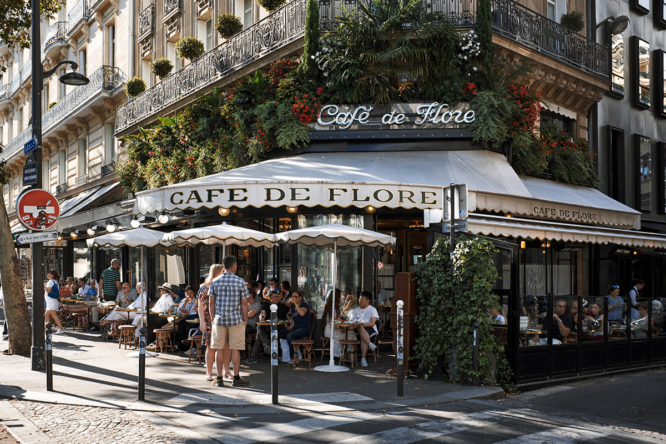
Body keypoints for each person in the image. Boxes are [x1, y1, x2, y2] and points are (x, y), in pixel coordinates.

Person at [209, 256, 250, 388]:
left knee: (219, 349)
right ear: (234, 266)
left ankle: (219, 378)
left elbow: (211, 303)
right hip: (236, 319)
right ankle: (236, 377)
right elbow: (244, 303)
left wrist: (212, 318)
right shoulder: (240, 281)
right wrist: (245, 318)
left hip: (219, 319)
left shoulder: (215, 281)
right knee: (235, 349)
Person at [244, 290, 289, 365]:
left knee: (259, 331)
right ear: (270, 298)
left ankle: (256, 354)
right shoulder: (266, 307)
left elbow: (290, 312)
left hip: (279, 328)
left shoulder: (282, 306)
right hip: (268, 328)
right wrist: (261, 318)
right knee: (260, 328)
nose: (276, 298)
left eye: (277, 296)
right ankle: (268, 349)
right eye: (274, 297)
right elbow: (261, 316)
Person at [198, 264, 225, 381]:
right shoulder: (205, 287)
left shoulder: (223, 285)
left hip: (222, 319)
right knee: (210, 346)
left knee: (223, 347)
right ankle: (208, 372)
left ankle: (224, 371)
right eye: (222, 271)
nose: (224, 273)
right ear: (216, 272)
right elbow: (200, 306)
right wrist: (202, 322)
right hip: (209, 320)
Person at [279, 290, 311, 364]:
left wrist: (296, 304)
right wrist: (290, 327)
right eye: (292, 297)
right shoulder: (293, 309)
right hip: (296, 328)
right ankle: (282, 355)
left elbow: (302, 313)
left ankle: (294, 356)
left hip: (305, 328)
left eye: (295, 297)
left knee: (290, 336)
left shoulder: (304, 305)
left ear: (300, 298)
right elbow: (293, 322)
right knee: (281, 334)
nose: (293, 298)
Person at [352, 291, 378, 367]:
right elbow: (352, 321)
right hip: (358, 329)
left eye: (362, 299)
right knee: (360, 327)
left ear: (368, 300)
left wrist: (361, 324)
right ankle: (369, 345)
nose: (360, 301)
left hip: (370, 329)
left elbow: (372, 323)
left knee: (361, 329)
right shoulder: (356, 310)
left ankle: (363, 358)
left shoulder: (372, 309)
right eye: (359, 299)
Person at [322, 289, 345, 358]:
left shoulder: (330, 306)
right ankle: (348, 355)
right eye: (340, 295)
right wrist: (344, 326)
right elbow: (335, 321)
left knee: (349, 334)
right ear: (337, 297)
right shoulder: (333, 308)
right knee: (350, 334)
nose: (341, 297)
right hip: (331, 331)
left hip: (331, 330)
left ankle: (346, 355)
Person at [174, 286, 198, 351]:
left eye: (191, 293)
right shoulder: (184, 300)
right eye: (187, 293)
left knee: (187, 327)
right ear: (185, 294)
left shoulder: (195, 301)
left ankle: (187, 347)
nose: (189, 295)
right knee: (180, 326)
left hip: (194, 320)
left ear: (193, 293)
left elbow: (192, 312)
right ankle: (181, 347)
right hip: (186, 319)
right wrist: (184, 303)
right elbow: (179, 310)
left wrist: (185, 311)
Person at [44, 270, 65, 335]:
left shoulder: (50, 282)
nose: (47, 274)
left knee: (54, 315)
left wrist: (44, 286)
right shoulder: (55, 282)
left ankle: (61, 328)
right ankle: (45, 328)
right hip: (52, 300)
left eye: (49, 273)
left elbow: (48, 291)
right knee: (47, 314)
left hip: (51, 301)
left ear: (52, 275)